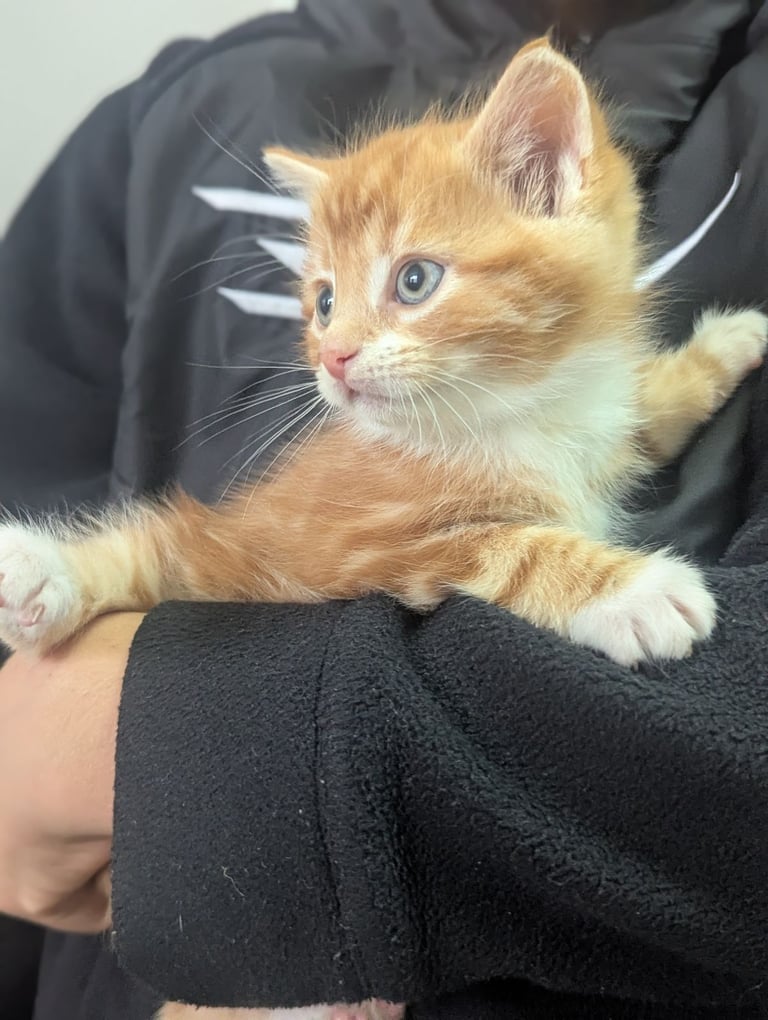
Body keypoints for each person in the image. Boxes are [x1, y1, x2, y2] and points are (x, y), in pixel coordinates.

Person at [1, 1, 767, 1018]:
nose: (339, 347)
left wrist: (703, 365)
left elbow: (620, 420)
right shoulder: (173, 110)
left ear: (551, 179)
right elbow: (399, 551)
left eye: (410, 280)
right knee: (179, 554)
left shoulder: (548, 388)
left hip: (334, 855)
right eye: (324, 300)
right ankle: (71, 574)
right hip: (153, 881)